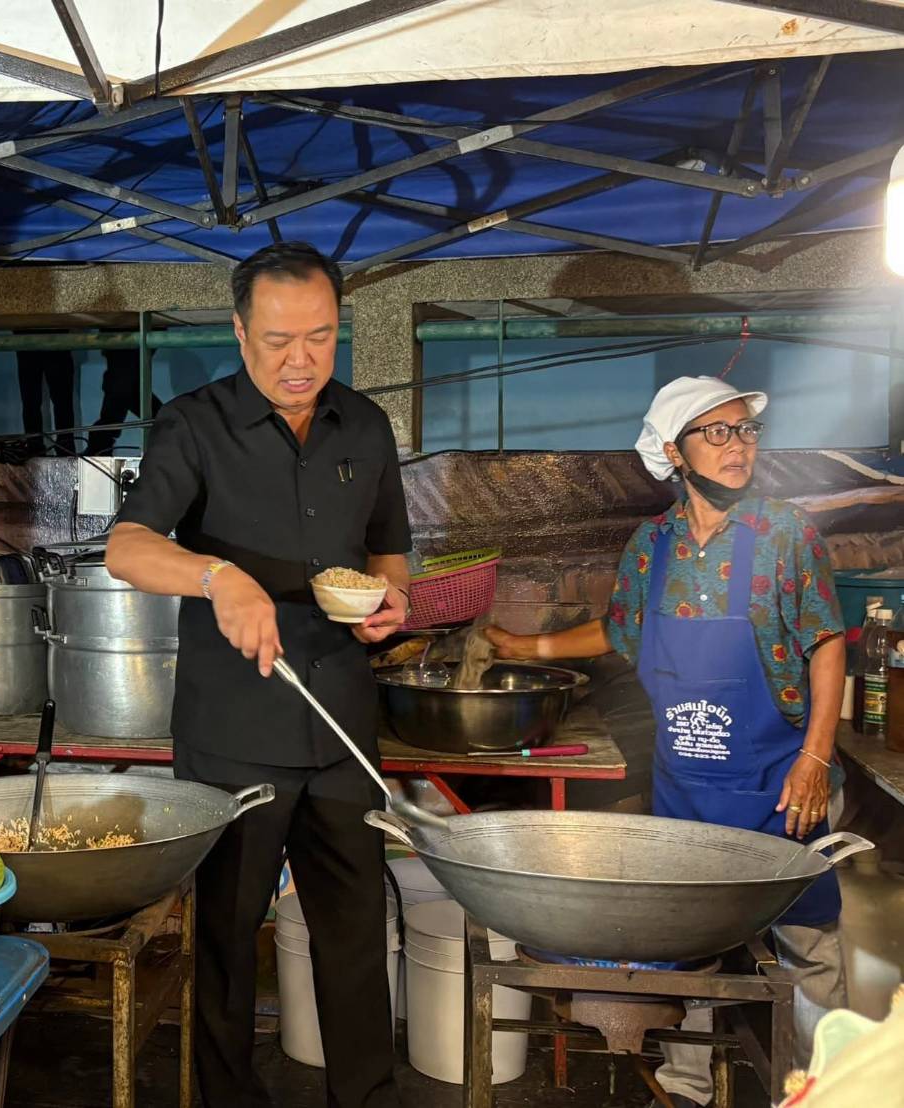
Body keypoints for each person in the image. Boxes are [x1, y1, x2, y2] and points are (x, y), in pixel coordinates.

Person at [105, 242, 410, 1108]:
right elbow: (127, 547)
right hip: (234, 727)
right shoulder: (193, 425)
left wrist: (391, 602)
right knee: (226, 937)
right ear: (240, 334)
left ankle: (366, 1098)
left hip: (341, 718)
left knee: (356, 930)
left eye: (319, 336)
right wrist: (216, 576)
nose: (299, 359)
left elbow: (389, 553)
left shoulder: (365, 425)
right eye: (277, 340)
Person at [487, 376, 848, 1108]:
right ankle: (687, 1086)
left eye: (744, 430)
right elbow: (620, 631)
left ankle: (827, 1090)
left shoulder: (785, 533)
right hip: (687, 789)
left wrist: (814, 759)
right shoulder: (651, 545)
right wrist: (526, 645)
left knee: (806, 943)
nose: (737, 445)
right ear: (671, 452)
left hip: (780, 783)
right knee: (690, 947)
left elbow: (826, 643)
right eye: (716, 432)